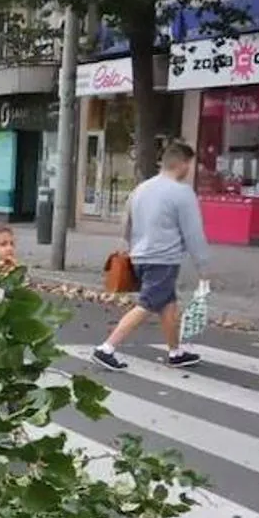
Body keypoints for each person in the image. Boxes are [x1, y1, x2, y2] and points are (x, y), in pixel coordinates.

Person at [92, 140, 208, 371]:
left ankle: (175, 352)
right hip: (163, 258)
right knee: (148, 303)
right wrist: (203, 266)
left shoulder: (141, 189)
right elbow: (193, 232)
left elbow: (127, 222)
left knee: (168, 304)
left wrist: (127, 246)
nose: (191, 170)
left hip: (140, 255)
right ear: (183, 164)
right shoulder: (182, 193)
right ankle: (106, 348)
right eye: (191, 165)